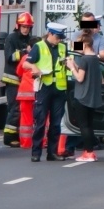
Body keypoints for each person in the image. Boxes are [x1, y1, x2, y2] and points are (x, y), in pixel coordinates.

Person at [28, 22, 70, 162]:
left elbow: (72, 58)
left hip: (59, 88)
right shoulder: (38, 46)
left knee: (56, 123)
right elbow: (26, 63)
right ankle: (36, 152)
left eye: (61, 38)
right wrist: (35, 68)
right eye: (57, 37)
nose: (59, 40)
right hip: (44, 87)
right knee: (40, 121)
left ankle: (52, 153)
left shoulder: (63, 47)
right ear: (50, 34)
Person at [65, 32, 103, 162]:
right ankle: (90, 151)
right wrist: (74, 64)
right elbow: (83, 72)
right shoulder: (94, 59)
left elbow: (80, 78)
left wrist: (71, 68)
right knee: (89, 125)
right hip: (92, 96)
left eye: (79, 43)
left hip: (83, 96)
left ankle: (88, 152)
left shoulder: (85, 59)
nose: (77, 45)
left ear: (85, 44)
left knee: (84, 126)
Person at [1, 12, 36, 147]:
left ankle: (20, 136)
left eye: (28, 27)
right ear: (18, 26)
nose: (26, 29)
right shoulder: (11, 38)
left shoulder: (30, 39)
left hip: (24, 80)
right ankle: (9, 137)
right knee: (14, 108)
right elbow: (10, 57)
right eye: (24, 26)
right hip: (12, 79)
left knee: (22, 109)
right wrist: (24, 52)